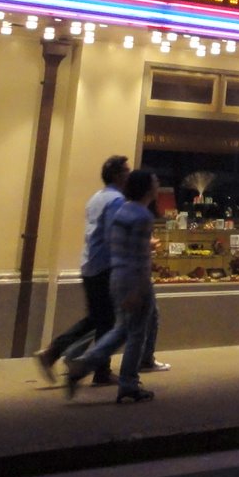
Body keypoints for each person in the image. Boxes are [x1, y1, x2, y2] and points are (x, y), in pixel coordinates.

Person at [34, 155, 129, 386]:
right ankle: (96, 369)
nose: (130, 174)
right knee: (108, 321)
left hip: (89, 264)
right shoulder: (116, 200)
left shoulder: (96, 198)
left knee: (99, 318)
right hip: (105, 266)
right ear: (117, 175)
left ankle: (56, 353)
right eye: (126, 170)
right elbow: (112, 236)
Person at [67, 169, 160, 402]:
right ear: (147, 188)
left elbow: (112, 244)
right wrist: (139, 289)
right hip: (134, 279)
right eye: (155, 182)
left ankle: (83, 364)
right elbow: (140, 258)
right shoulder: (142, 216)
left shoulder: (122, 211)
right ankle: (129, 384)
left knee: (121, 329)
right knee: (137, 334)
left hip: (116, 275)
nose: (158, 186)